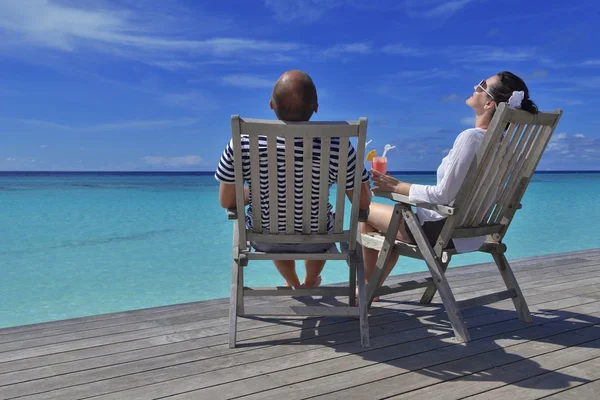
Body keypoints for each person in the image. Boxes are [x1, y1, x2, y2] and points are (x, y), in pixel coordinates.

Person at [361, 71, 539, 297]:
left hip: (441, 233)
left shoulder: (471, 138)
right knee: (389, 233)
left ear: (489, 104)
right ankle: (370, 287)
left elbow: (442, 196)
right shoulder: (504, 146)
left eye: (482, 85)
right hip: (474, 233)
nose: (475, 86)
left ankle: (368, 288)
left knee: (364, 210)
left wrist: (396, 187)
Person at [215, 70, 372, 288]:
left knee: (275, 219)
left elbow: (227, 201)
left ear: (270, 104)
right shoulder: (339, 145)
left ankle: (292, 282)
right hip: (320, 240)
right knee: (323, 220)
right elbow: (362, 203)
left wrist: (257, 193)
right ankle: (309, 282)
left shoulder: (241, 143)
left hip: (264, 238)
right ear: (316, 107)